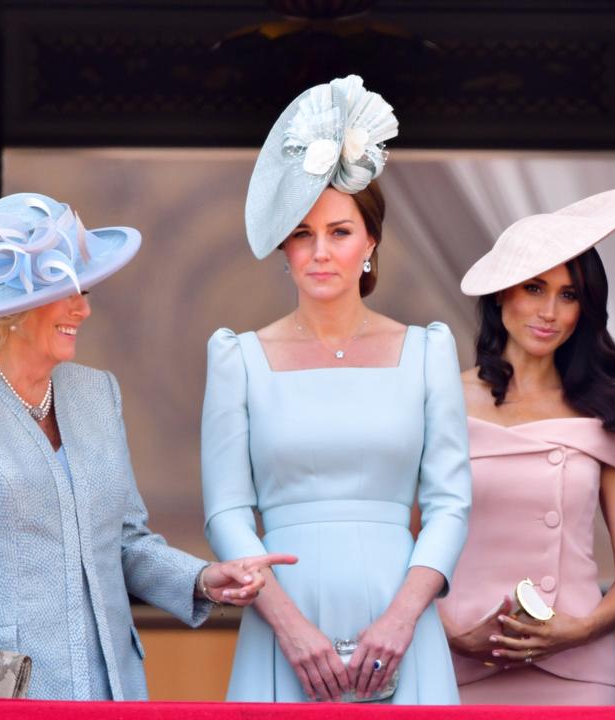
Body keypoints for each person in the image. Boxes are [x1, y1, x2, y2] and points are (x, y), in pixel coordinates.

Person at [202, 75, 471, 704]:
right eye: (302, 233)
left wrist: (403, 617)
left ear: (371, 242)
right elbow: (226, 514)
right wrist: (290, 627)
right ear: (284, 248)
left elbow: (450, 504)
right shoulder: (238, 358)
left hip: (402, 616)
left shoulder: (427, 352)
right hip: (281, 618)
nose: (320, 252)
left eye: (340, 231)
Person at [0, 192, 294, 701]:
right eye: (69, 290)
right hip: (7, 693)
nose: (83, 308)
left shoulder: (97, 393)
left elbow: (125, 541)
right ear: (15, 308)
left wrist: (203, 578)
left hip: (112, 688)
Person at [435, 187, 615, 704]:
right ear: (502, 294)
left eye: (568, 294)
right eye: (534, 287)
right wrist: (449, 634)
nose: (549, 311)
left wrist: (578, 630)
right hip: (456, 664)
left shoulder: (608, 408)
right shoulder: (438, 398)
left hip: (578, 672)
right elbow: (404, 547)